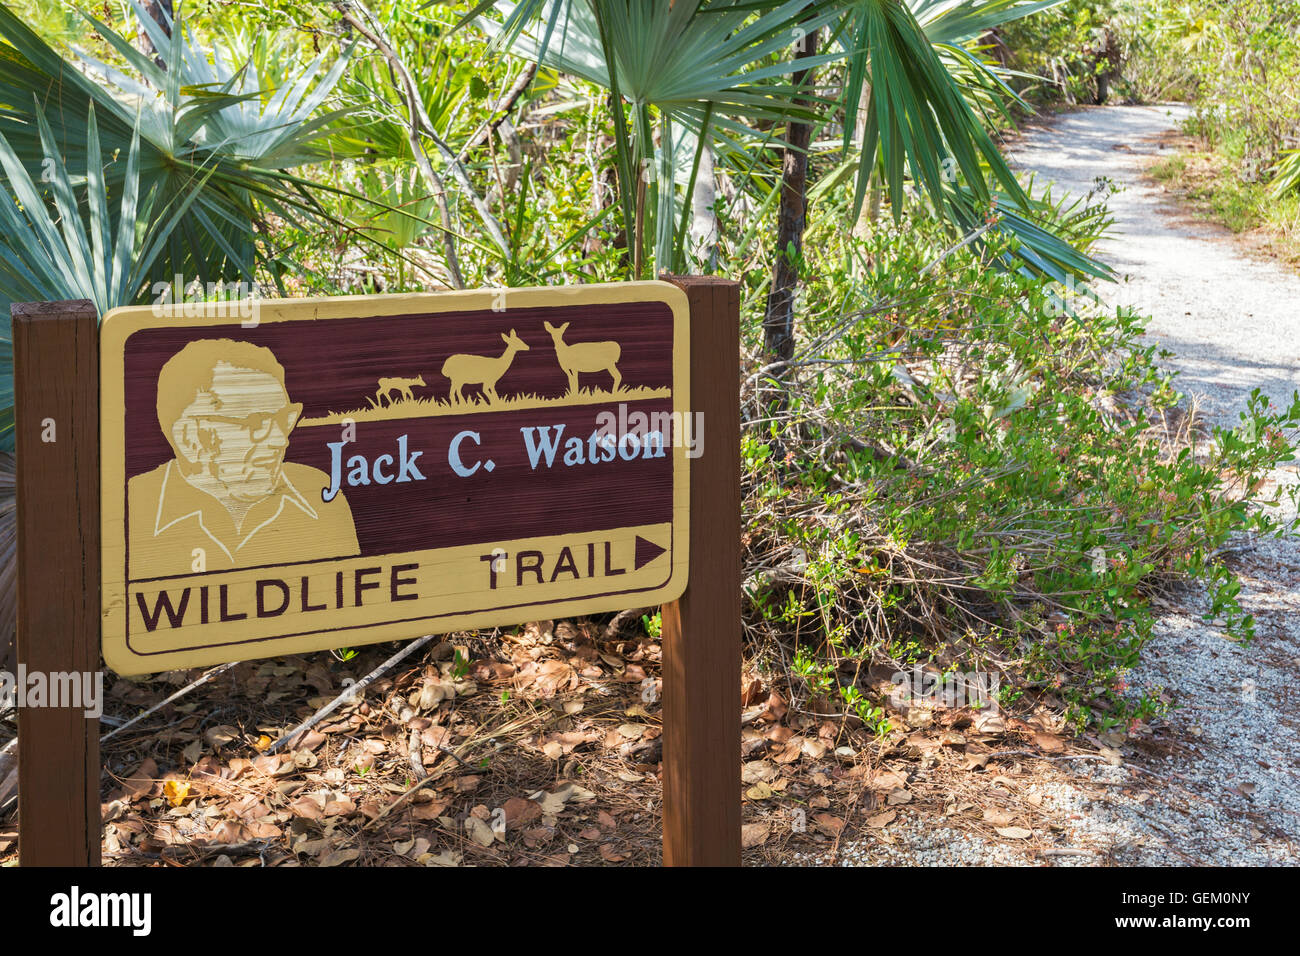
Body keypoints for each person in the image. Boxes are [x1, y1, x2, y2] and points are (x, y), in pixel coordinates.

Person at [128, 338, 359, 578]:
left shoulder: (320, 496)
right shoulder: (130, 511)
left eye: (283, 420)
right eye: (257, 422)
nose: (281, 441)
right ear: (189, 438)